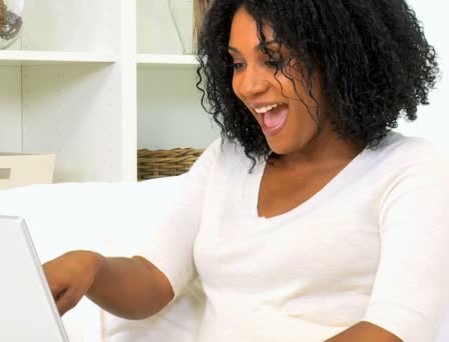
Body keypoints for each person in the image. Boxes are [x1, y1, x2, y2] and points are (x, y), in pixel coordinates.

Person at [42, 0, 449, 340]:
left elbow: (394, 331)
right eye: (237, 64)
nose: (248, 86)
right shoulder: (229, 157)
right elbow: (153, 280)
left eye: (273, 59)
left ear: (340, 58)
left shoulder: (409, 169)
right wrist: (91, 267)